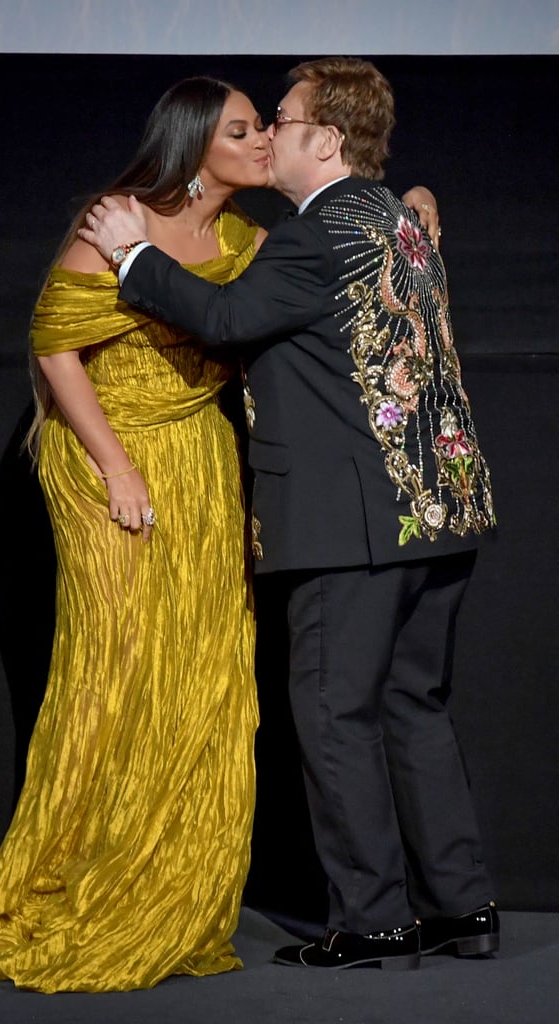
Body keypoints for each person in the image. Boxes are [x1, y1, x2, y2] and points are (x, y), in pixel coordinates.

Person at [0, 74, 439, 992]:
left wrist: (414, 197)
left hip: (203, 464)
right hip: (107, 463)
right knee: (119, 668)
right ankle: (83, 875)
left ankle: (176, 883)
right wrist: (116, 466)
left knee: (204, 674)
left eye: (268, 127)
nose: (261, 142)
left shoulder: (250, 238)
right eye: (245, 129)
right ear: (196, 140)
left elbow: (313, 270)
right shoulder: (116, 216)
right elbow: (54, 345)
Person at [80, 57, 499, 972]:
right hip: (441, 511)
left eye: (284, 116)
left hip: (351, 525)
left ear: (328, 139)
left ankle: (373, 919)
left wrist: (131, 253)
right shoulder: (398, 216)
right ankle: (464, 908)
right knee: (412, 705)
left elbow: (226, 321)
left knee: (334, 714)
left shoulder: (317, 234)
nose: (269, 131)